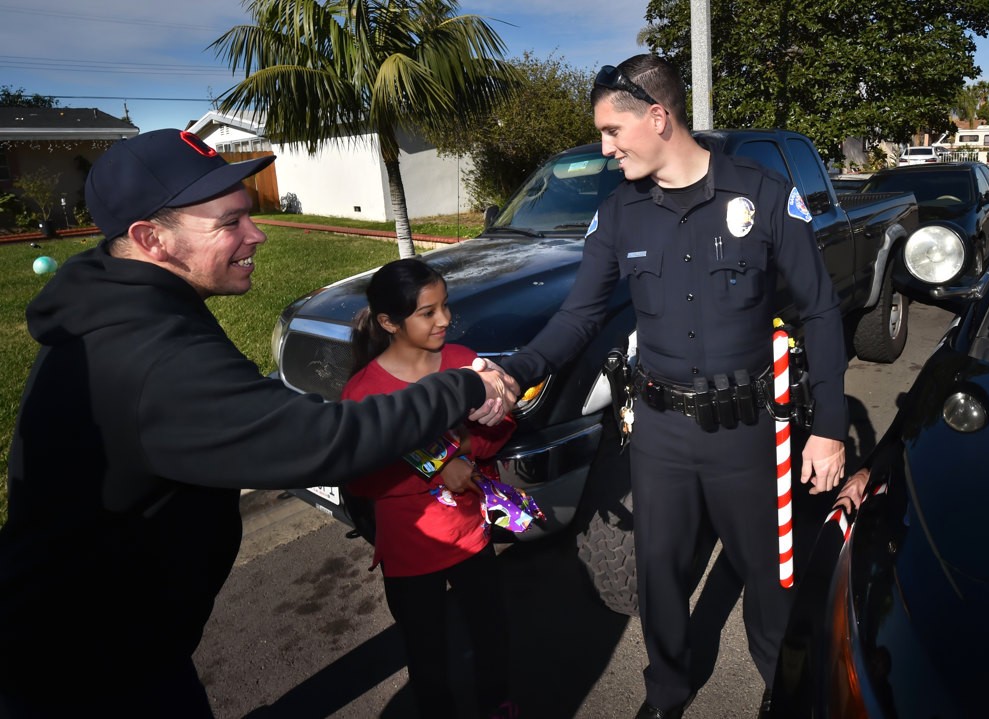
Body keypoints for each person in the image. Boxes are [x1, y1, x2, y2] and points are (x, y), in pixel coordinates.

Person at [0, 129, 517, 718]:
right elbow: (325, 442)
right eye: (229, 224)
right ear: (151, 239)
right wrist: (464, 384)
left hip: (126, 642)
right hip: (88, 672)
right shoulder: (146, 353)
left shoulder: (130, 301)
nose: (257, 234)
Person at [495, 55, 847, 719]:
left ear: (658, 117)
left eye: (611, 131)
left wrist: (828, 426)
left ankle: (785, 686)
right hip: (660, 433)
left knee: (771, 576)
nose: (605, 147)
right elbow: (578, 316)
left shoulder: (763, 194)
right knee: (658, 575)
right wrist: (516, 371)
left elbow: (821, 310)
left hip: (748, 429)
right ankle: (666, 691)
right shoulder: (618, 214)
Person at [341, 258, 518, 719]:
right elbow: (361, 477)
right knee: (427, 654)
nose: (444, 320)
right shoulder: (365, 392)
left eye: (445, 306)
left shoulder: (464, 363)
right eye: (427, 312)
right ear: (388, 322)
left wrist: (467, 443)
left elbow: (501, 429)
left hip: (471, 534)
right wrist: (437, 470)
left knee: (491, 633)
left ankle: (497, 701)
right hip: (411, 548)